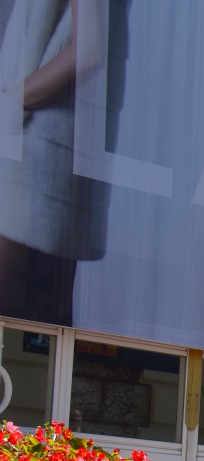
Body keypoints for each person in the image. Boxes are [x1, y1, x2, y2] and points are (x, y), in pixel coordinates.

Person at [0, 0, 120, 326]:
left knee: (25, 324)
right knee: (40, 327)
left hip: (35, 151)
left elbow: (89, 48)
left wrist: (10, 103)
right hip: (33, 146)